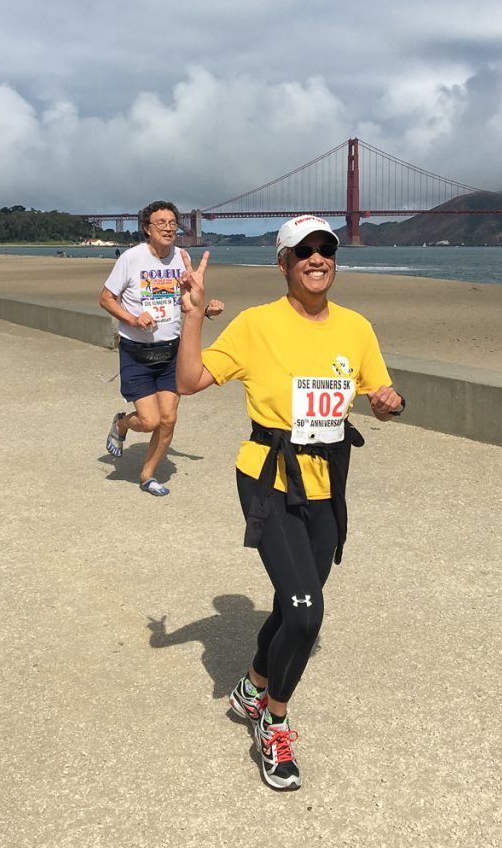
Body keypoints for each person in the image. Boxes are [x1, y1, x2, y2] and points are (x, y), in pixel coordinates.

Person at [176, 214, 405, 791]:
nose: (317, 258)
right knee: (306, 613)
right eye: (302, 250)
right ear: (282, 263)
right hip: (268, 478)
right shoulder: (256, 326)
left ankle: (251, 684)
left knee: (293, 596)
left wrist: (385, 402)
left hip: (327, 482)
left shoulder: (356, 328)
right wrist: (190, 316)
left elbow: (377, 393)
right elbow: (188, 380)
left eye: (326, 248)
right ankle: (272, 722)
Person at [99, 200, 224, 496]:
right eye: (161, 223)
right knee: (149, 420)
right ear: (147, 229)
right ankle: (122, 424)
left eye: (172, 223)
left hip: (171, 353)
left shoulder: (181, 258)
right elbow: (106, 298)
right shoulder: (131, 259)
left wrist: (205, 310)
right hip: (137, 354)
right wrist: (132, 318)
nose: (168, 228)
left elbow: (182, 303)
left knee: (168, 419)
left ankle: (148, 475)